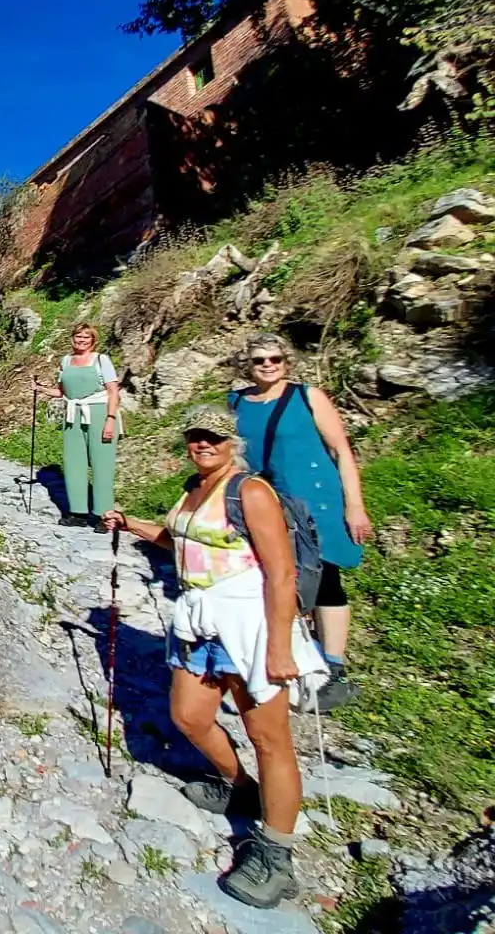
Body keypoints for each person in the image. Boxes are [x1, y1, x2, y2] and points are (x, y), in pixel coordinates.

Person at [103, 404, 328, 909]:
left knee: (268, 737)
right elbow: (179, 541)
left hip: (249, 624)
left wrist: (277, 646)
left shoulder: (250, 491)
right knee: (189, 716)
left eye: (214, 438)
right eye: (196, 437)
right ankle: (241, 787)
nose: (203, 444)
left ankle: (277, 853)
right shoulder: (193, 489)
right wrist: (131, 523)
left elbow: (282, 572)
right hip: (199, 621)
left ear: (232, 443)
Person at [228, 333, 373, 712]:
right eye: (260, 360)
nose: (268, 365)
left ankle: (333, 666)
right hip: (269, 501)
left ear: (286, 361)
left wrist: (354, 505)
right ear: (248, 363)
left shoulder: (308, 397)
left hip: (317, 500)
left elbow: (341, 449)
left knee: (326, 575)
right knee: (274, 574)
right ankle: (288, 653)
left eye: (275, 358)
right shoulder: (236, 402)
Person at [49, 323, 121, 528]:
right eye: (78, 336)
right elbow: (62, 391)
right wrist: (40, 389)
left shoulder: (101, 360)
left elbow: (113, 391)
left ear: (93, 340)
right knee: (73, 464)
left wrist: (110, 419)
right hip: (73, 414)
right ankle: (77, 513)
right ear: (72, 338)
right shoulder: (66, 360)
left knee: (102, 465)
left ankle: (103, 516)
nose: (81, 340)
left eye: (86, 337)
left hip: (98, 413)